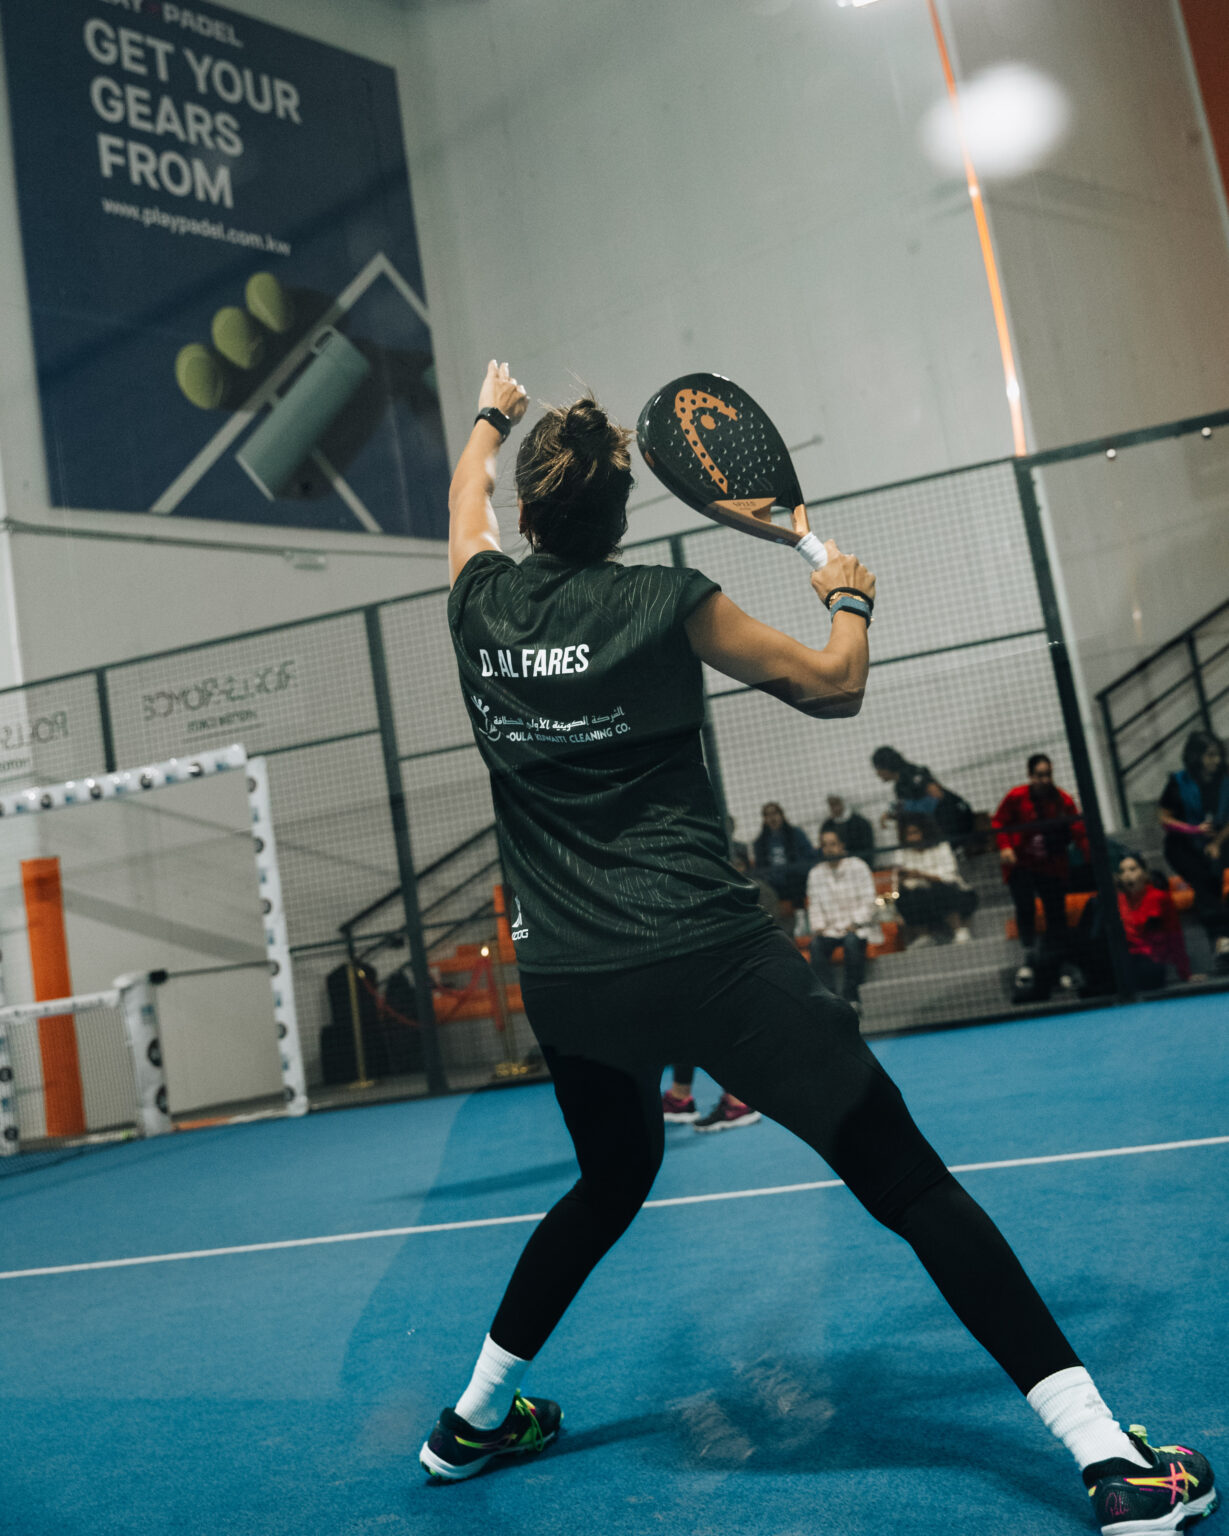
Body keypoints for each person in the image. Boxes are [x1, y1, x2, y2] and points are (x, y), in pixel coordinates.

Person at [420, 361, 1217, 1536]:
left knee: (611, 1176)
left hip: (570, 981)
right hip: (705, 958)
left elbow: (461, 501)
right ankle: (1112, 1464)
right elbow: (833, 687)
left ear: (528, 513)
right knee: (906, 1180)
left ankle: (473, 1420)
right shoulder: (666, 600)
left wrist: (491, 415)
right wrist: (846, 596)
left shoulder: (476, 601)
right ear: (621, 516)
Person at [993, 754, 1090, 994]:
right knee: (1025, 907)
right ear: (1030, 775)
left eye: (1048, 774)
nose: (1045, 780)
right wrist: (1005, 846)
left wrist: (1089, 855)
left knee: (1056, 914)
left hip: (1051, 867)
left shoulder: (1062, 800)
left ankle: (1060, 963)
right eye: (1039, 775)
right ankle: (1028, 956)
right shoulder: (1016, 797)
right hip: (1021, 865)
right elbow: (999, 822)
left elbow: (1078, 830)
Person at [1067, 854, 1192, 998]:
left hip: (1150, 962)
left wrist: (1185, 973)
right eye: (1123, 871)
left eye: (1132, 869)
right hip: (1123, 959)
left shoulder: (1160, 898)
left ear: (1144, 874)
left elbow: (1175, 935)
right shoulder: (1117, 901)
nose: (1127, 875)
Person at [1158, 730, 1229, 970]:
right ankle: (1221, 938)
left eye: (1218, 754)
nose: (1216, 760)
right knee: (1204, 881)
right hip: (1183, 845)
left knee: (1213, 876)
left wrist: (1217, 843)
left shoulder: (1225, 779)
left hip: (1219, 841)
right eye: (1210, 755)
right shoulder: (1178, 781)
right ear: (1196, 756)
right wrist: (1193, 830)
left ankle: (1220, 941)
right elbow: (1164, 819)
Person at [805, 828, 879, 1007]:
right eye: (825, 845)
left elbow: (869, 900)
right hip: (830, 929)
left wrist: (856, 921)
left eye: (833, 844)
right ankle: (831, 999)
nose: (829, 849)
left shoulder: (858, 866)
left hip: (857, 927)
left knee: (852, 942)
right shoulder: (815, 873)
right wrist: (819, 926)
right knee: (815, 945)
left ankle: (852, 996)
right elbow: (814, 905)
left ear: (841, 846)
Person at [894, 813, 977, 947]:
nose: (912, 838)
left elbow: (949, 877)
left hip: (954, 893)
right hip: (921, 896)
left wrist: (921, 875)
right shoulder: (902, 853)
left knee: (939, 889)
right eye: (908, 834)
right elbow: (905, 881)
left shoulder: (941, 847)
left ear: (925, 831)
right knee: (905, 897)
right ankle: (923, 935)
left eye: (915, 832)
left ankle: (959, 930)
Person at [751, 801, 815, 909]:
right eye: (768, 815)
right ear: (764, 819)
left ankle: (800, 913)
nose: (772, 818)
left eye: (774, 813)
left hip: (796, 878)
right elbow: (759, 868)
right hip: (773, 884)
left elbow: (809, 857)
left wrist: (796, 870)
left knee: (796, 882)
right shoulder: (760, 842)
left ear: (781, 815)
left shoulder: (796, 834)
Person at [819, 792, 875, 863]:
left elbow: (868, 849)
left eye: (837, 803)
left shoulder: (860, 823)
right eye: (832, 805)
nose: (835, 808)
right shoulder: (827, 826)